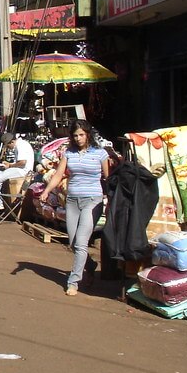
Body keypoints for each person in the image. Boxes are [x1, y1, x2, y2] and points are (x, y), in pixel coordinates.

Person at [38, 120, 110, 296]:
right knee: (73, 242)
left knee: (81, 242)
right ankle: (90, 265)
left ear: (88, 135)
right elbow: (58, 175)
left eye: (82, 135)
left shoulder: (100, 153)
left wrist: (111, 197)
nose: (78, 138)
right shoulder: (68, 153)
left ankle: (73, 281)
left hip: (92, 201)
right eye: (75, 135)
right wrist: (46, 191)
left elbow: (108, 178)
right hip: (72, 201)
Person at [0, 132, 35, 209]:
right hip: (20, 169)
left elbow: (22, 162)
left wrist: (10, 166)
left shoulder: (21, 145)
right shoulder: (19, 145)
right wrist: (9, 164)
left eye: (8, 145)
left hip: (24, 171)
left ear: (12, 142)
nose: (8, 147)